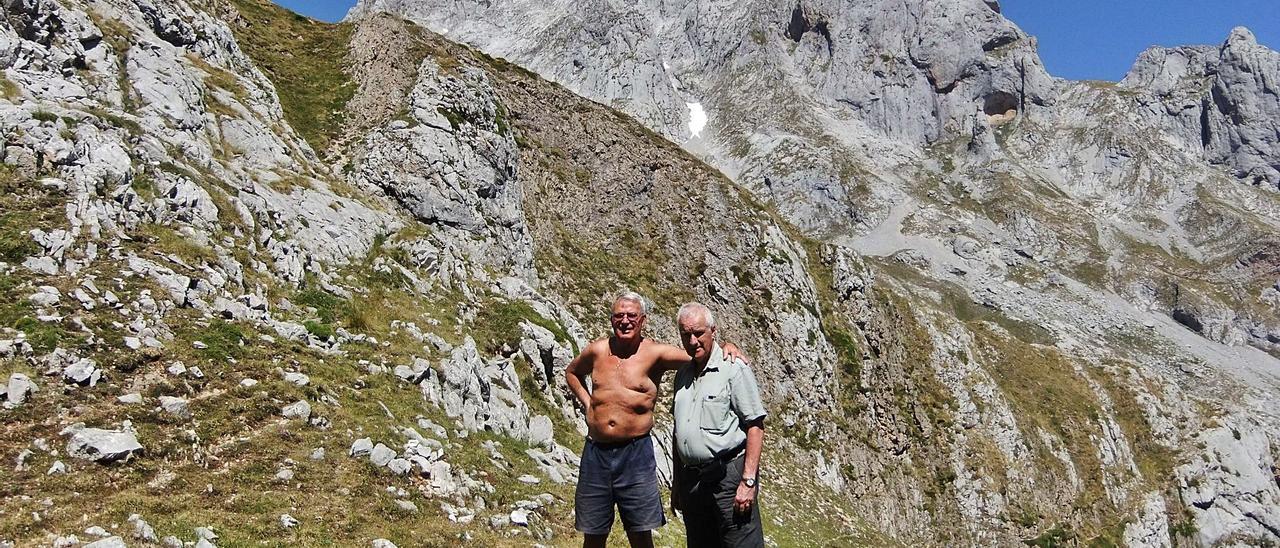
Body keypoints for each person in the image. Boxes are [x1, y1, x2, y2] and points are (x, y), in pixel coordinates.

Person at [565, 291, 746, 548]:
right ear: (611, 319)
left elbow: (700, 353)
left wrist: (727, 347)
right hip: (596, 452)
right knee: (593, 535)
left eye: (631, 316)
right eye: (619, 316)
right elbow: (572, 372)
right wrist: (588, 403)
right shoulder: (597, 350)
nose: (625, 321)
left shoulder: (655, 354)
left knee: (640, 534)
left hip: (635, 453)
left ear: (643, 320)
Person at [670, 302, 766, 548]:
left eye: (698, 333)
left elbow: (755, 425)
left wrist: (748, 482)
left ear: (713, 330)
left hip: (727, 479)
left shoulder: (733, 368)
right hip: (692, 483)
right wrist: (678, 484)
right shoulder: (682, 375)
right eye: (686, 334)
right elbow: (678, 432)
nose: (693, 341)